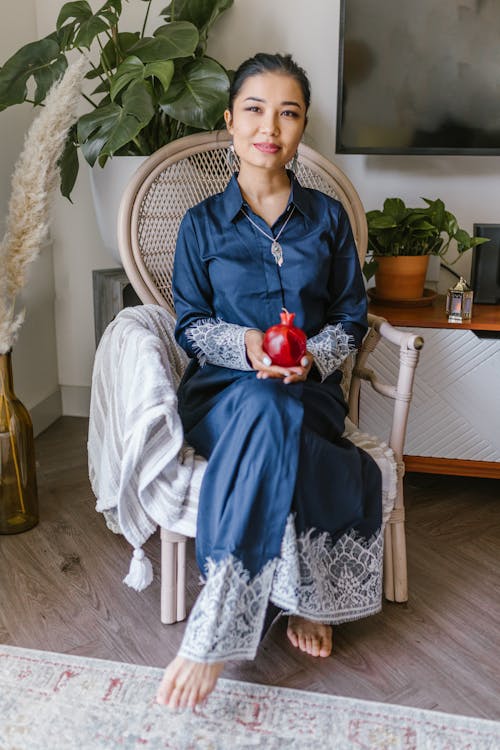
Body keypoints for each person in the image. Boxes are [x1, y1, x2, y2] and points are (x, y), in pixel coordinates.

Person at [156, 52, 382, 710]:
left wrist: (310, 358)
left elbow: (350, 316)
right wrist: (248, 345)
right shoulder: (201, 225)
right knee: (261, 398)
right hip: (223, 398)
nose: (270, 126)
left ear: (302, 128)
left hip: (307, 392)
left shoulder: (327, 219)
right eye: (255, 109)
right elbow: (191, 325)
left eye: (288, 113)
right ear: (230, 120)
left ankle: (272, 606)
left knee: (282, 405)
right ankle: (272, 606)